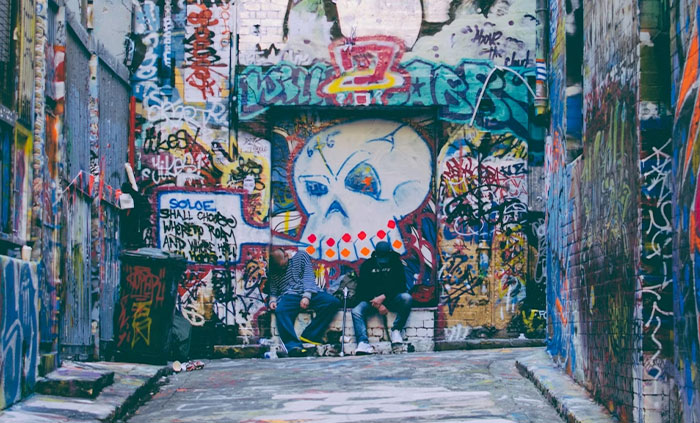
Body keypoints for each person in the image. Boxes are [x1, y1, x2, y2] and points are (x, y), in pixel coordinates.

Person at [268, 248, 340, 357]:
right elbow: (273, 288)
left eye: (284, 265)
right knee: (281, 310)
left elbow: (308, 277)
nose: (282, 268)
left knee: (332, 302)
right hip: (289, 296)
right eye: (280, 267)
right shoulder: (274, 267)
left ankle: (310, 335)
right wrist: (272, 300)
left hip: (310, 292)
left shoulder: (301, 256)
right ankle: (293, 346)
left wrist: (307, 296)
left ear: (287, 255)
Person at [352, 241, 412, 355]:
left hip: (391, 298)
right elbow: (362, 289)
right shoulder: (368, 265)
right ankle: (363, 343)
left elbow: (401, 285)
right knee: (356, 311)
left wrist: (384, 297)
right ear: (375, 254)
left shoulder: (396, 263)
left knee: (407, 298)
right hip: (372, 301)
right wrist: (378, 303)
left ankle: (396, 330)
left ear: (390, 253)